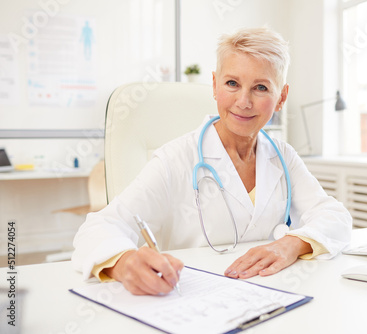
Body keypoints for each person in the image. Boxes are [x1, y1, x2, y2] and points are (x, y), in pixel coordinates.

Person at [72, 27, 352, 296]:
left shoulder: (283, 156)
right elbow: (100, 227)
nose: (244, 101)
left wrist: (293, 243)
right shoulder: (176, 158)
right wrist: (123, 263)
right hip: (191, 297)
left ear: (282, 97)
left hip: (271, 293)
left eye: (261, 87)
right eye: (232, 83)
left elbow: (335, 216)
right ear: (215, 85)